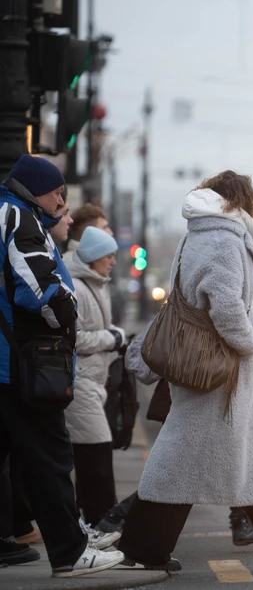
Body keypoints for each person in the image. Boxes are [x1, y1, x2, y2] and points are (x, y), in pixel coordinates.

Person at [117, 171, 253, 572]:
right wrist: (248, 343)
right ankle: (143, 550)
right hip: (216, 369)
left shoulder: (199, 233)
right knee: (181, 460)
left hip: (211, 368)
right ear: (239, 201)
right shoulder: (222, 239)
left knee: (236, 456)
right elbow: (226, 304)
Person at [0, 154, 125, 577]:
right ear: (38, 191)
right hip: (21, 364)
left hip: (8, 361)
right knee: (50, 457)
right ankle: (71, 553)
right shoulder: (20, 219)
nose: (62, 202)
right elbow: (40, 289)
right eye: (58, 193)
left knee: (20, 458)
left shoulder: (8, 213)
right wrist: (67, 307)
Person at [64, 228, 125, 534]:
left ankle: (98, 519)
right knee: (95, 452)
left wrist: (114, 335)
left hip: (92, 381)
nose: (113, 262)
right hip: (80, 380)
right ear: (94, 257)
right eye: (109, 256)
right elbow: (73, 338)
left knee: (93, 453)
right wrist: (112, 338)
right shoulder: (77, 286)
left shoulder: (95, 284)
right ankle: (101, 520)